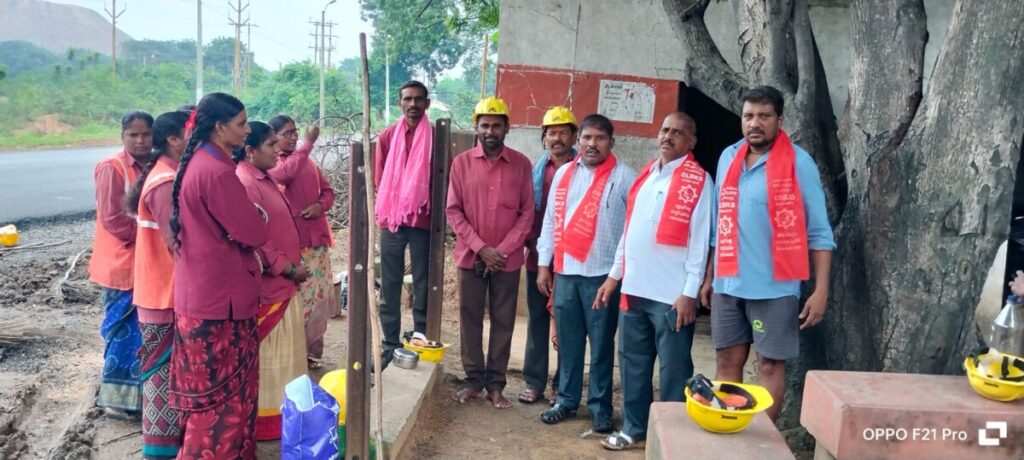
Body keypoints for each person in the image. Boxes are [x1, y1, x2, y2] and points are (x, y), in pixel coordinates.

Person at [702, 86, 835, 423]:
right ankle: (728, 426)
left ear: (779, 120)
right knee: (727, 362)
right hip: (728, 285)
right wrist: (709, 276)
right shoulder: (728, 157)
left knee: (770, 365)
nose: (755, 123)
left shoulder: (799, 164)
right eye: (748, 116)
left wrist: (821, 291)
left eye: (764, 116)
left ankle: (763, 442)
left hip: (774, 289)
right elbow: (720, 224)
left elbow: (819, 232)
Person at [598, 112, 713, 450]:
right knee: (633, 363)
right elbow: (629, 232)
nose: (668, 136)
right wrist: (612, 277)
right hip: (634, 289)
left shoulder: (699, 181)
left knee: (674, 369)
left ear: (691, 142)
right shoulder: (646, 175)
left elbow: (700, 241)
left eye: (678, 132)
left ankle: (672, 437)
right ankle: (634, 428)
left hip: (671, 295)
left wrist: (688, 293)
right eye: (665, 129)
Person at [168, 92, 267, 459]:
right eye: (241, 124)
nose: (246, 130)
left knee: (204, 402)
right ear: (219, 127)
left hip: (200, 299)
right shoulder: (218, 173)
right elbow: (255, 234)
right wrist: (257, 217)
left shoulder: (195, 162)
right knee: (223, 407)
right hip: (219, 307)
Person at [536, 114, 635, 433]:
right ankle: (565, 400)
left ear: (611, 142)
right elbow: (550, 221)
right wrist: (543, 263)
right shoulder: (565, 174)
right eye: (587, 138)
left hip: (602, 278)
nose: (592, 144)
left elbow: (629, 233)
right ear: (579, 141)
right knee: (569, 342)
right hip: (565, 273)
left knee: (602, 345)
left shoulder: (625, 178)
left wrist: (616, 276)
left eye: (600, 138)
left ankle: (600, 408)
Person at [446, 96, 534, 409]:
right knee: (469, 317)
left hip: (507, 262)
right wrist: (482, 248)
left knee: (503, 320)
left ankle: (496, 385)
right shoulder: (461, 163)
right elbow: (454, 211)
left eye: (497, 124)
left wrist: (503, 251)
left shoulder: (522, 164)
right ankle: (473, 381)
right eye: (485, 125)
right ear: (477, 127)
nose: (491, 130)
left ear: (506, 128)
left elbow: (527, 215)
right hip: (471, 257)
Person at [236, 121, 310, 441]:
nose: (277, 149)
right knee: (271, 364)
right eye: (270, 144)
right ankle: (267, 425)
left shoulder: (264, 178)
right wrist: (289, 269)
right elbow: (259, 242)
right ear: (250, 151)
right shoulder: (246, 182)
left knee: (288, 362)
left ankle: (286, 420)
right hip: (271, 287)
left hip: (285, 284)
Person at [124, 110, 189, 459]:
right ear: (174, 140)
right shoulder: (164, 182)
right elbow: (176, 243)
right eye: (191, 133)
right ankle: (161, 451)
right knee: (162, 379)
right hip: (163, 294)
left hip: (162, 291)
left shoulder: (168, 174)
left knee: (167, 376)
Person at [89, 110, 153, 419]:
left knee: (144, 334)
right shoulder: (111, 168)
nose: (140, 141)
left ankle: (138, 398)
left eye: (146, 134)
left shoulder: (153, 165)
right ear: (123, 137)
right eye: (133, 135)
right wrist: (154, 235)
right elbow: (114, 220)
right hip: (122, 267)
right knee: (122, 335)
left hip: (146, 266)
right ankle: (116, 400)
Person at [372, 80, 434, 368]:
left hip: (423, 219)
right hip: (393, 220)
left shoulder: (435, 137)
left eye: (418, 99)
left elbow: (439, 178)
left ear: (427, 104)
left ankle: (420, 338)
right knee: (390, 283)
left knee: (423, 282)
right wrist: (397, 205)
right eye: (407, 99)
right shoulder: (387, 137)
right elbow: (380, 178)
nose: (413, 104)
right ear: (400, 103)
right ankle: (390, 343)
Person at [267, 114, 335, 370]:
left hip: (315, 242)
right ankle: (293, 354)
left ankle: (312, 354)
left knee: (317, 301)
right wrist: (307, 144)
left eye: (296, 132)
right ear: (273, 138)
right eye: (288, 133)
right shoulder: (276, 164)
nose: (294, 137)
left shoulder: (309, 163)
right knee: (298, 302)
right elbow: (285, 174)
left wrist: (320, 206)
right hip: (292, 246)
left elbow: (328, 192)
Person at [520, 106, 577, 405]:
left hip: (573, 261)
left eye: (563, 132)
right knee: (537, 321)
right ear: (544, 137)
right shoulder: (535, 171)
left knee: (568, 325)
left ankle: (562, 385)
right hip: (538, 258)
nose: (557, 138)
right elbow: (527, 210)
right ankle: (533, 382)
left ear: (573, 136)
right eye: (551, 133)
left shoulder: (584, 168)